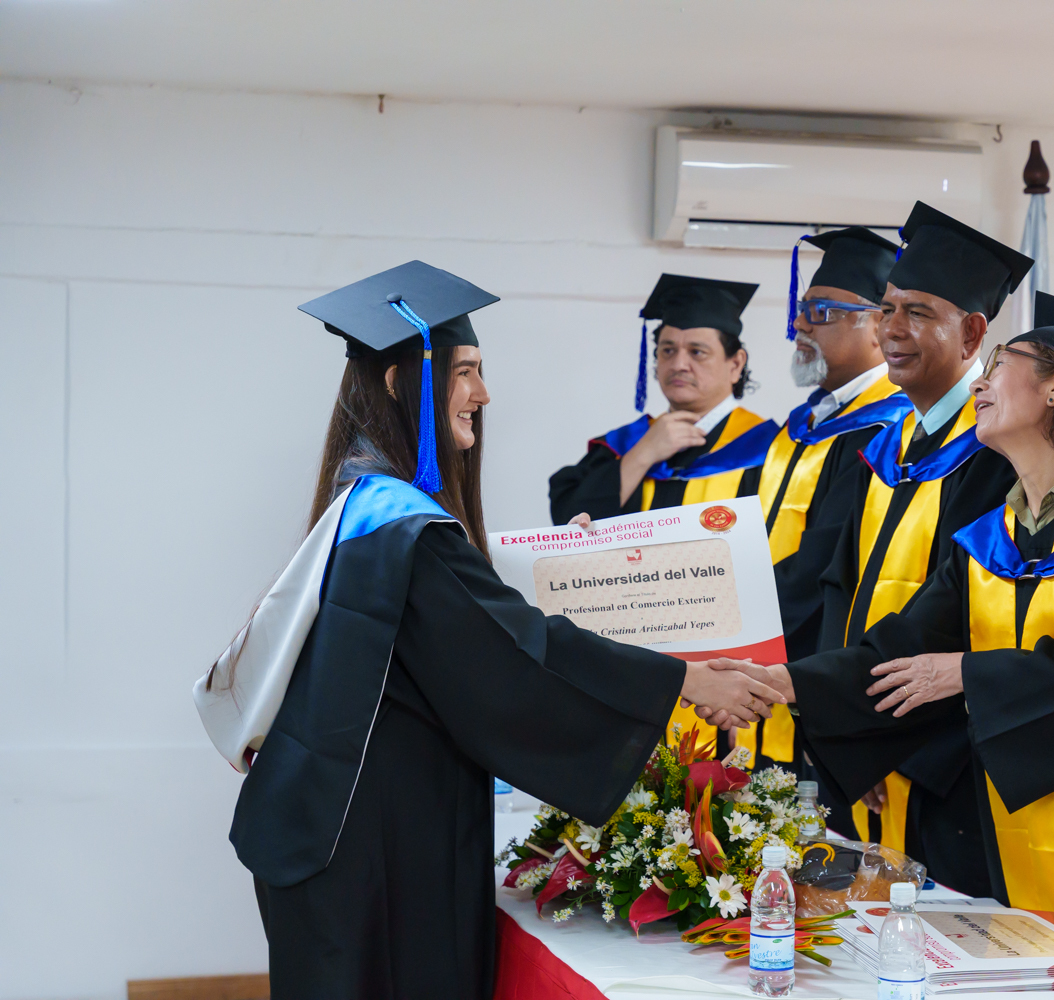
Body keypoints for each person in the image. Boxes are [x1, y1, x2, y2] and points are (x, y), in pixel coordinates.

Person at [192, 261, 784, 1000]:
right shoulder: (397, 525)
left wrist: (576, 569)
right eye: (466, 370)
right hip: (371, 847)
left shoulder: (365, 503)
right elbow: (512, 651)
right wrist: (686, 680)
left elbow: (477, 635)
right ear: (404, 383)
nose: (483, 392)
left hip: (348, 832)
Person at [709, 293, 1054, 995]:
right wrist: (785, 683)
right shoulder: (990, 539)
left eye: (1002, 364)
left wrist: (969, 673)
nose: (982, 383)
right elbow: (902, 650)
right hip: (1015, 825)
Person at [811, 202, 1028, 894]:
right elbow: (835, 591)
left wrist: (887, 746)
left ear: (972, 332)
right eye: (886, 308)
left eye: (918, 311)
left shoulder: (997, 454)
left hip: (944, 776)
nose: (892, 329)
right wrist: (842, 731)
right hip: (862, 761)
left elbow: (975, 622)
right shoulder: (880, 445)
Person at [741, 227, 912, 770]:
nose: (799, 324)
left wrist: (730, 626)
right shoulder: (805, 424)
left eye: (820, 311)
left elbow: (823, 564)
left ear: (878, 326)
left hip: (816, 688)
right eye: (802, 308)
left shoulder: (887, 429)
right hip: (768, 674)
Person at [549, 274, 775, 523]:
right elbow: (567, 525)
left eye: (697, 352)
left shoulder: (769, 448)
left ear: (735, 364)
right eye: (668, 350)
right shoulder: (624, 445)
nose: (678, 364)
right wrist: (643, 454)